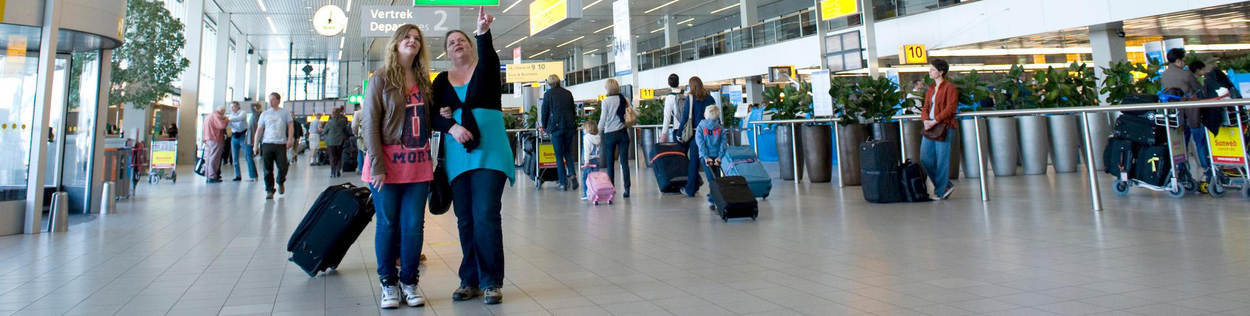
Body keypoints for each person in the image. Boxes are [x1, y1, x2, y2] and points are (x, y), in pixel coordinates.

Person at [430, 7, 513, 305]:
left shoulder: (486, 68)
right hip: (457, 156)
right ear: (447, 53)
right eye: (451, 43)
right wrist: (451, 125)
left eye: (461, 39)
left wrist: (482, 32)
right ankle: (470, 279)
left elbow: (488, 56)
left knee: (486, 214)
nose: (457, 44)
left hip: (490, 152)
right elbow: (432, 118)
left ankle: (492, 281)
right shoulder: (440, 81)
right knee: (465, 218)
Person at [358, 23, 437, 309]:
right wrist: (377, 164)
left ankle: (409, 281)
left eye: (417, 38)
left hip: (417, 163)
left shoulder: (424, 80)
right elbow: (370, 124)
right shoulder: (380, 78)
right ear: (396, 42)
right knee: (388, 224)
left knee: (414, 226)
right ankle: (388, 283)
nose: (412, 41)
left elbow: (429, 119)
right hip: (385, 165)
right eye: (407, 36)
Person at [920, 59, 959, 199]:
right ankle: (946, 185)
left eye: (932, 70)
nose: (929, 72)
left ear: (941, 72)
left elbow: (951, 108)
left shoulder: (950, 88)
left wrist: (935, 121)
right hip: (930, 127)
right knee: (925, 158)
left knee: (942, 160)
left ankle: (941, 191)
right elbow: (925, 107)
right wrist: (925, 120)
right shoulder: (931, 89)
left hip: (945, 127)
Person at [676, 76, 715, 198]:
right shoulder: (710, 98)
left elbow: (685, 117)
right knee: (710, 161)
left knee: (694, 162)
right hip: (709, 134)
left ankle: (690, 189)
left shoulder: (691, 98)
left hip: (696, 135)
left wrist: (679, 133)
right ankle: (716, 188)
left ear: (691, 86)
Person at [538, 74, 578, 191]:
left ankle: (563, 183)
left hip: (556, 128)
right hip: (569, 127)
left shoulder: (548, 94)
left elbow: (544, 112)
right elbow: (573, 110)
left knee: (559, 156)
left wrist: (545, 127)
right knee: (567, 153)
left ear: (549, 84)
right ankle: (573, 175)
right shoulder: (568, 93)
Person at [253, 92, 294, 200]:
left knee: (283, 166)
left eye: (273, 99)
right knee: (267, 169)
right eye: (269, 99)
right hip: (267, 143)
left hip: (280, 144)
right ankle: (270, 190)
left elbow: (290, 126)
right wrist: (255, 144)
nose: (270, 102)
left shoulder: (285, 113)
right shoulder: (264, 114)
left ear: (278, 101)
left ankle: (280, 181)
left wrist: (290, 139)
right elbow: (259, 129)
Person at [597, 78, 632, 198]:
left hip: (610, 134)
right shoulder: (624, 99)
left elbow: (603, 119)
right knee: (624, 162)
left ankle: (611, 188)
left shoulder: (606, 101)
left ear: (608, 88)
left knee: (610, 163)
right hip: (623, 133)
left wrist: (597, 132)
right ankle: (627, 189)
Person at [694, 105, 728, 208]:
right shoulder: (720, 127)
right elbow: (723, 142)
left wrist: (705, 156)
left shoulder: (701, 127)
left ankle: (712, 199)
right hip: (717, 156)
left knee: (711, 179)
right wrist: (720, 156)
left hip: (706, 157)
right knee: (717, 177)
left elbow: (700, 143)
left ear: (705, 115)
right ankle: (714, 198)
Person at [227, 101, 258, 182]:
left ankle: (253, 176)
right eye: (231, 107)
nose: (232, 108)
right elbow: (228, 125)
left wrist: (228, 119)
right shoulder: (230, 115)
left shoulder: (243, 113)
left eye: (234, 106)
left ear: (238, 106)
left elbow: (239, 118)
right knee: (235, 158)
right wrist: (228, 120)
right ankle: (237, 176)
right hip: (234, 137)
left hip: (243, 136)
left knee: (248, 156)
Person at [201, 107, 228, 183]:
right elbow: (222, 125)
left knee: (209, 158)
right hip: (215, 139)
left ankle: (208, 175)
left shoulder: (208, 116)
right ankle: (212, 176)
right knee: (214, 158)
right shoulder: (216, 116)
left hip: (208, 138)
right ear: (222, 111)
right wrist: (227, 119)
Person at [322, 106, 351, 177]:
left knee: (332, 157)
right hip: (340, 141)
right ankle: (338, 170)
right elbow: (346, 130)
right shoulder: (343, 121)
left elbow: (324, 131)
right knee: (339, 156)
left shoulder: (329, 122)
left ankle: (332, 171)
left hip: (330, 142)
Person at [580, 121, 601, 200]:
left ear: (588, 129)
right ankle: (596, 193)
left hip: (589, 161)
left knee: (585, 178)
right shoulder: (598, 137)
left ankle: (586, 194)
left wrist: (586, 162)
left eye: (585, 128)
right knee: (595, 178)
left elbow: (586, 151)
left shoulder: (587, 137)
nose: (584, 130)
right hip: (597, 160)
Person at [660, 73, 684, 142]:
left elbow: (667, 117)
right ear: (678, 82)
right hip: (688, 128)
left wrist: (664, 133)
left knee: (678, 152)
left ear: (669, 84)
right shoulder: (685, 94)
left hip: (677, 129)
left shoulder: (670, 97)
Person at [352, 104, 366, 173]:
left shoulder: (358, 113)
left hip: (362, 136)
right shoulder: (375, 110)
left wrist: (356, 133)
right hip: (374, 136)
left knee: (361, 152)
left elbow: (354, 126)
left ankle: (361, 169)